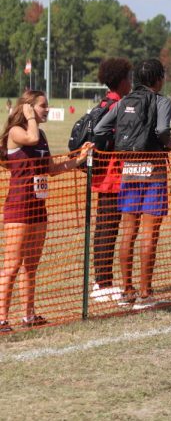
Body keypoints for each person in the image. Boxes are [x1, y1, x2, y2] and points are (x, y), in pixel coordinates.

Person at [1, 91, 93, 332]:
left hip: (38, 209)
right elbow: (30, 138)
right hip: (19, 208)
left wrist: (79, 159)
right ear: (29, 108)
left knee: (31, 265)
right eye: (42, 106)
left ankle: (28, 315)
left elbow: (51, 168)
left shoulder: (40, 134)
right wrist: (30, 117)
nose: (47, 110)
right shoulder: (18, 132)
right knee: (11, 266)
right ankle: (1, 318)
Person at [94, 59, 171, 310]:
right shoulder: (162, 101)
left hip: (129, 170)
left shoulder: (123, 102)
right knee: (150, 233)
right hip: (153, 171)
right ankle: (145, 292)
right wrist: (168, 143)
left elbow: (99, 128)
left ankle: (127, 291)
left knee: (129, 231)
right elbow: (162, 130)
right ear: (158, 78)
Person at [89, 57, 133, 303]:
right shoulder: (118, 106)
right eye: (129, 77)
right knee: (108, 229)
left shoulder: (103, 103)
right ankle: (103, 284)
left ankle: (102, 281)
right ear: (122, 81)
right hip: (113, 177)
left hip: (103, 175)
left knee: (104, 229)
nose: (131, 82)